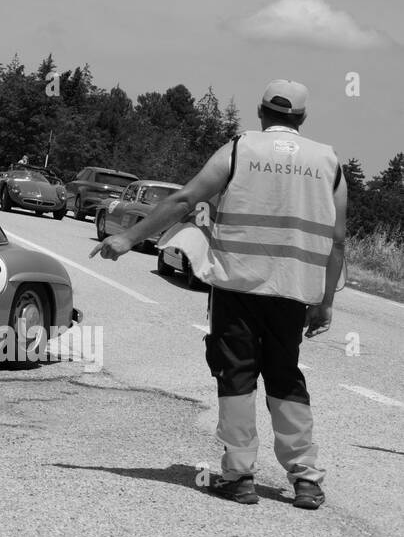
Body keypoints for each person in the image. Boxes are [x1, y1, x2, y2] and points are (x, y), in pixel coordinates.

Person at [90, 80, 346, 510]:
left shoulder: (240, 149)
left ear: (262, 113)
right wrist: (325, 302)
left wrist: (128, 238)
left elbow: (187, 197)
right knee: (285, 378)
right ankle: (306, 479)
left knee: (236, 375)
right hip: (293, 290)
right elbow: (337, 240)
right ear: (301, 119)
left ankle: (238, 477)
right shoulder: (328, 161)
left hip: (237, 285)